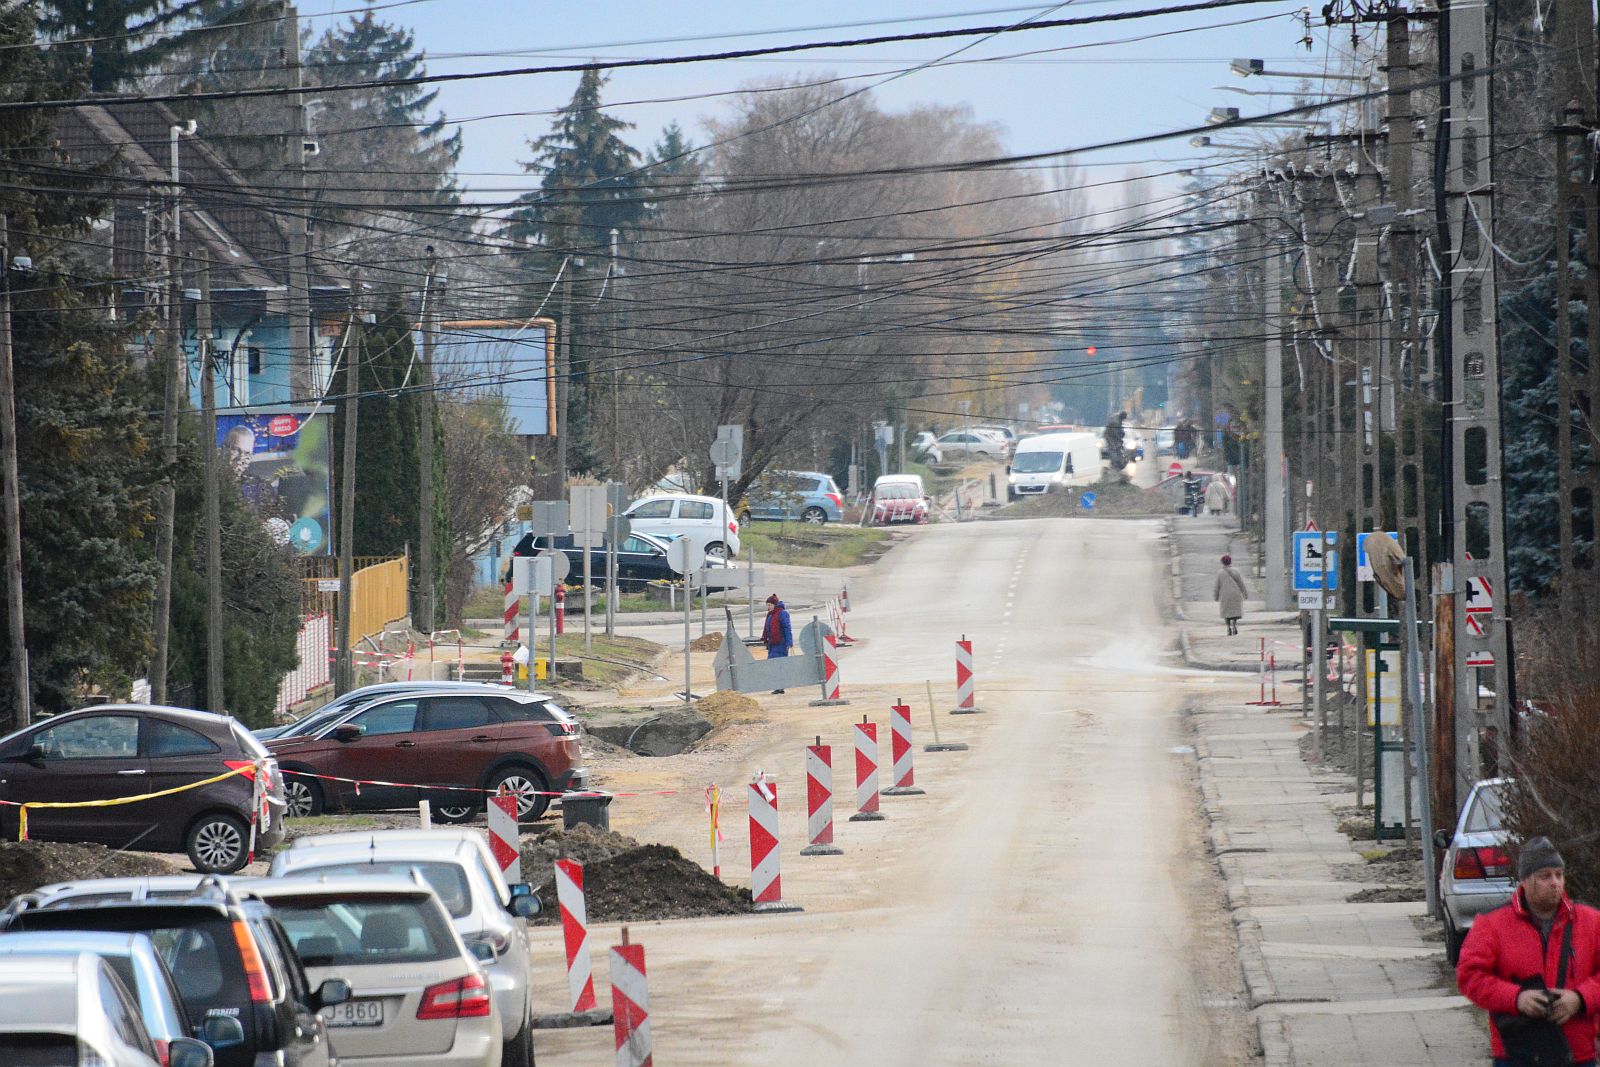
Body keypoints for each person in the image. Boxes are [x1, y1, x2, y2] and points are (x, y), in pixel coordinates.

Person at [1459, 837, 1600, 1066]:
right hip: (1516, 1053)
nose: (1555, 882)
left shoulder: (1591, 922)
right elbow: (1470, 976)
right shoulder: (1492, 925)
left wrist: (1580, 999)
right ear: (1524, 880)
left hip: (1577, 1054)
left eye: (1559, 874)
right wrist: (1516, 998)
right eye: (1545, 876)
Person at [761, 594, 793, 694]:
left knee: (779, 665)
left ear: (775, 604)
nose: (768, 607)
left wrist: (789, 642)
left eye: (770, 604)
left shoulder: (782, 613)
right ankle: (777, 686)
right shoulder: (771, 614)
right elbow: (768, 629)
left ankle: (780, 687)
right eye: (767, 605)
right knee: (773, 664)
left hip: (781, 644)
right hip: (773, 644)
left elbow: (787, 628)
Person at [1213, 554, 1247, 636]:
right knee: (1235, 612)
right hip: (1235, 594)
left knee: (1227, 613)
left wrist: (1216, 596)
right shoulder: (1236, 571)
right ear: (1230, 562)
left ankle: (1228, 627)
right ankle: (1234, 625)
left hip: (1225, 595)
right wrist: (1245, 593)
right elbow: (1241, 583)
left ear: (1222, 562)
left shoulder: (1220, 573)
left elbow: (1217, 586)